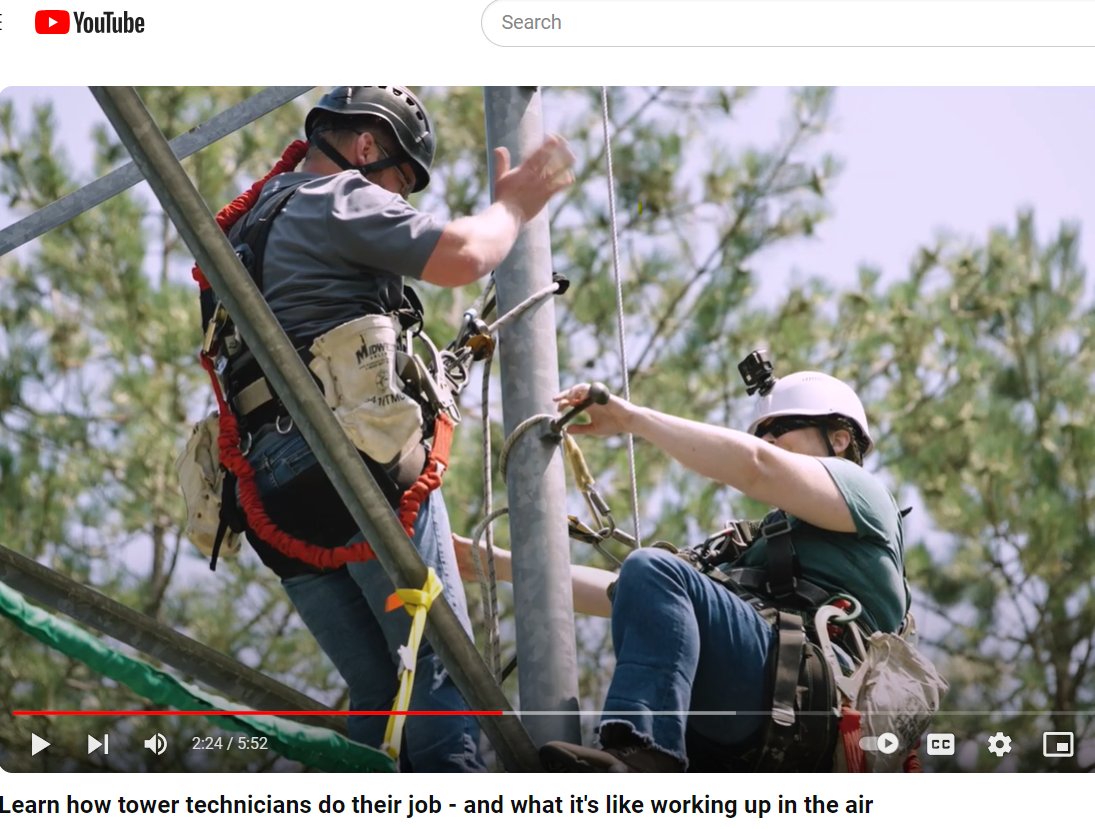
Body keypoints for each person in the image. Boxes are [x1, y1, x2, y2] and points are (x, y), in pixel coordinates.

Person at [225, 86, 574, 771]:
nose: (401, 204)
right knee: (439, 673)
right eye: (401, 182)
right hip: (352, 460)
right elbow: (464, 255)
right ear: (365, 147)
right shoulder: (337, 198)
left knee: (380, 693)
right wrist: (514, 207)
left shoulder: (240, 233)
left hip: (271, 489)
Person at [460, 370, 907, 772]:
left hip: (807, 696)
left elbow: (756, 467)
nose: (768, 441)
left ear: (841, 438)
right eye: (760, 433)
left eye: (782, 428)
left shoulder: (866, 499)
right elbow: (626, 590)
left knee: (655, 569)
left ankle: (642, 752)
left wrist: (632, 420)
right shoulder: (761, 541)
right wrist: (497, 564)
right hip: (760, 712)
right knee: (650, 576)